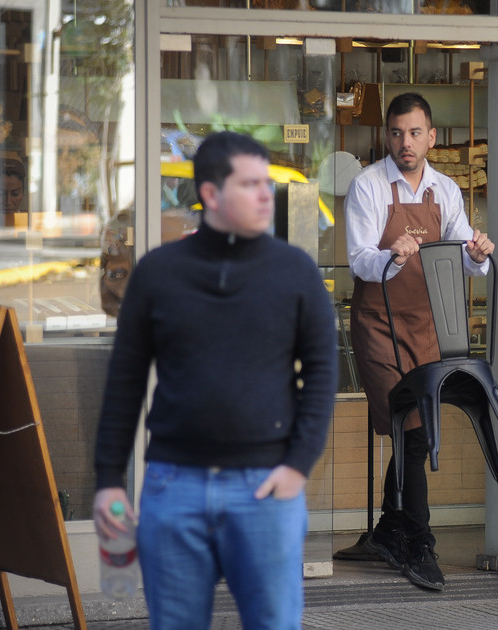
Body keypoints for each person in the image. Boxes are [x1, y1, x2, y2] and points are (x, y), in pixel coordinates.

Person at [93, 131, 338, 629]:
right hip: (173, 486)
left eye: (266, 182)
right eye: (251, 184)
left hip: (266, 488)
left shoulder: (295, 272)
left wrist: (298, 464)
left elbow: (322, 371)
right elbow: (125, 379)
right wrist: (107, 480)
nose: (267, 194)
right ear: (210, 194)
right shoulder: (159, 274)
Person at [343, 92, 494, 591]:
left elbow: (462, 258)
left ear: (431, 137)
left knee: (420, 428)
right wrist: (394, 254)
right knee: (410, 430)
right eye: (395, 133)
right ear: (386, 137)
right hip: (379, 324)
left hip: (427, 323)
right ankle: (420, 543)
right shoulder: (367, 187)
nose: (404, 142)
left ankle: (389, 530)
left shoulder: (446, 190)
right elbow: (360, 261)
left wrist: (477, 252)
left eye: (414, 133)